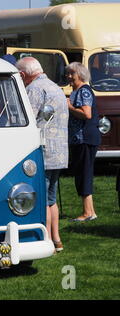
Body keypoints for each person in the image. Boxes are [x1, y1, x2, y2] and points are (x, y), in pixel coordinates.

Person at [16, 57, 69, 252]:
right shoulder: (55, 87)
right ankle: (56, 239)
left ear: (23, 75)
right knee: (51, 199)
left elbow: (27, 119)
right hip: (60, 152)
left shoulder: (34, 89)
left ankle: (44, 238)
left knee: (41, 199)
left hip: (44, 151)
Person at [66, 62, 101, 221]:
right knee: (82, 173)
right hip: (80, 139)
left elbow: (86, 113)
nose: (68, 76)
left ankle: (87, 212)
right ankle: (90, 211)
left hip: (84, 138)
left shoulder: (84, 91)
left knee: (84, 173)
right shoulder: (77, 91)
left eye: (71, 73)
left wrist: (69, 107)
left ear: (80, 74)